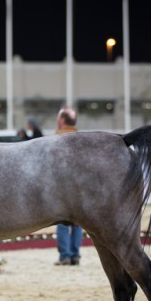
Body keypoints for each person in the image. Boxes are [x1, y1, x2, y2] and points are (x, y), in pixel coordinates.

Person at [54, 107, 83, 266]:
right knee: (78, 223)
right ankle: (75, 255)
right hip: (78, 187)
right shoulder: (80, 138)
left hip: (62, 187)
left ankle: (64, 256)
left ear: (62, 120)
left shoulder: (58, 137)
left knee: (63, 223)